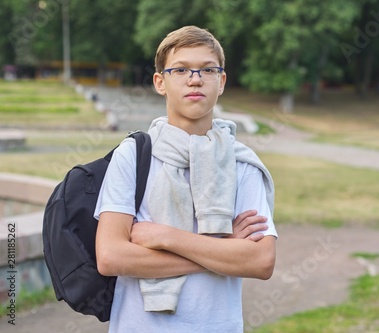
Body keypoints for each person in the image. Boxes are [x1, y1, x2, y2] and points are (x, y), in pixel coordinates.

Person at [94, 25, 277, 332]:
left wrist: (167, 238)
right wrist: (224, 250)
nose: (195, 78)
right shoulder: (133, 155)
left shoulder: (241, 162)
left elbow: (260, 262)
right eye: (180, 69)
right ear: (159, 82)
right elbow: (111, 257)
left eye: (207, 69)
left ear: (221, 81)